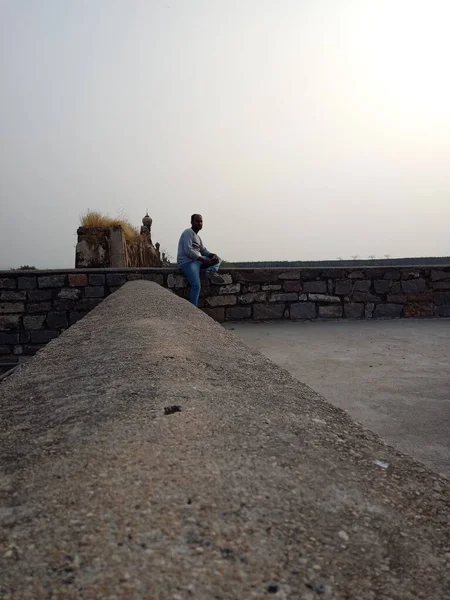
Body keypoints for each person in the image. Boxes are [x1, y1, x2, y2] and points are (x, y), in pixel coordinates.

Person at [177, 214, 225, 306]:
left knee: (217, 259)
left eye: (201, 221)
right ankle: (194, 312)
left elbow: (203, 250)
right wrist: (203, 260)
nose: (199, 223)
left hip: (197, 261)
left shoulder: (198, 237)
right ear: (192, 222)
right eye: (197, 221)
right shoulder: (188, 232)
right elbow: (188, 251)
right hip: (187, 262)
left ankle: (211, 271)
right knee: (196, 286)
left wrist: (212, 255)